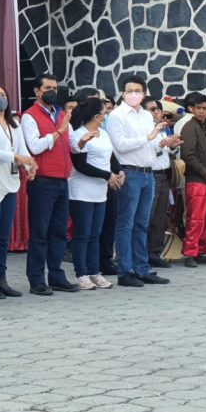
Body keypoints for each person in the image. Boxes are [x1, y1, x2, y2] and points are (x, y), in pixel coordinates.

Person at [108, 76, 179, 287]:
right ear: (122, 93)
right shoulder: (117, 115)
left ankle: (142, 267)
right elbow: (120, 145)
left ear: (144, 92)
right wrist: (149, 138)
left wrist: (165, 142)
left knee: (142, 223)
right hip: (130, 172)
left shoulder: (147, 116)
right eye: (129, 90)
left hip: (149, 172)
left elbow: (154, 145)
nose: (133, 94)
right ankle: (125, 270)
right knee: (126, 223)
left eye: (137, 90)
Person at [20, 74, 78, 295]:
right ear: (37, 91)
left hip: (62, 180)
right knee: (40, 232)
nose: (52, 91)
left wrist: (81, 141)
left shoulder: (61, 113)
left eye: (55, 87)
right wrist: (58, 132)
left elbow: (70, 142)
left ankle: (56, 275)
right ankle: (36, 279)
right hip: (42, 181)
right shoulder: (29, 116)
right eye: (47, 88)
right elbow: (34, 146)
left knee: (59, 231)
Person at [0, 85, 36, 299]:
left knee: (4, 236)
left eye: (2, 95)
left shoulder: (15, 124)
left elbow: (22, 151)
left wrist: (30, 166)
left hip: (11, 182)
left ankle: (1, 279)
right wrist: (16, 159)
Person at [68, 97, 119, 290]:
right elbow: (81, 165)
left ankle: (94, 271)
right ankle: (81, 273)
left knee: (96, 234)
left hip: (100, 192)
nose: (106, 116)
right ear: (97, 116)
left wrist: (118, 171)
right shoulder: (78, 135)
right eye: (104, 114)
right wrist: (107, 175)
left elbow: (111, 157)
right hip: (82, 190)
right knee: (82, 234)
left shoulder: (103, 134)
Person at [178, 92, 206, 268]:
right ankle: (189, 253)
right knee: (196, 219)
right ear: (192, 109)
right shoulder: (189, 127)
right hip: (197, 179)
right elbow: (187, 155)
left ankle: (203, 250)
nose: (202, 111)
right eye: (199, 108)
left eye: (205, 108)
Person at [145, 97, 174, 269]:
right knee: (146, 217)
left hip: (164, 174)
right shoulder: (145, 129)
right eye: (152, 109)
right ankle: (142, 254)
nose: (156, 112)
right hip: (151, 174)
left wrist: (171, 145)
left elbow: (165, 152)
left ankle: (154, 253)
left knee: (160, 217)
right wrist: (162, 145)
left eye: (158, 109)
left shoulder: (162, 128)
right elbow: (148, 152)